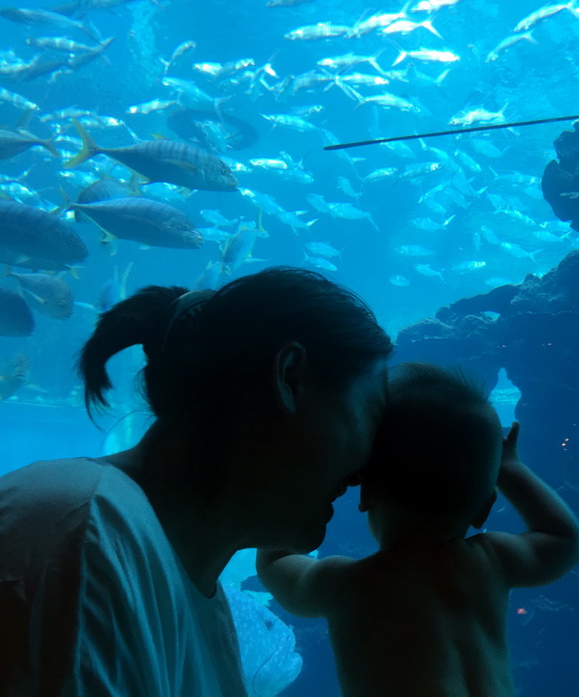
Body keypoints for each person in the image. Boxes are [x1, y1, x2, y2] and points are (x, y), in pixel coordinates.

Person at [0, 267, 392, 696]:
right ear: (291, 377)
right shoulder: (85, 532)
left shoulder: (178, 580)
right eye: (372, 415)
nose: (370, 468)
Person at [257, 362, 579, 697]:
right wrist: (511, 468)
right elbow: (565, 539)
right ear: (486, 508)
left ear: (365, 491)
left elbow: (275, 561)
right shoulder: (492, 561)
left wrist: (310, 477)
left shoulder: (349, 584)